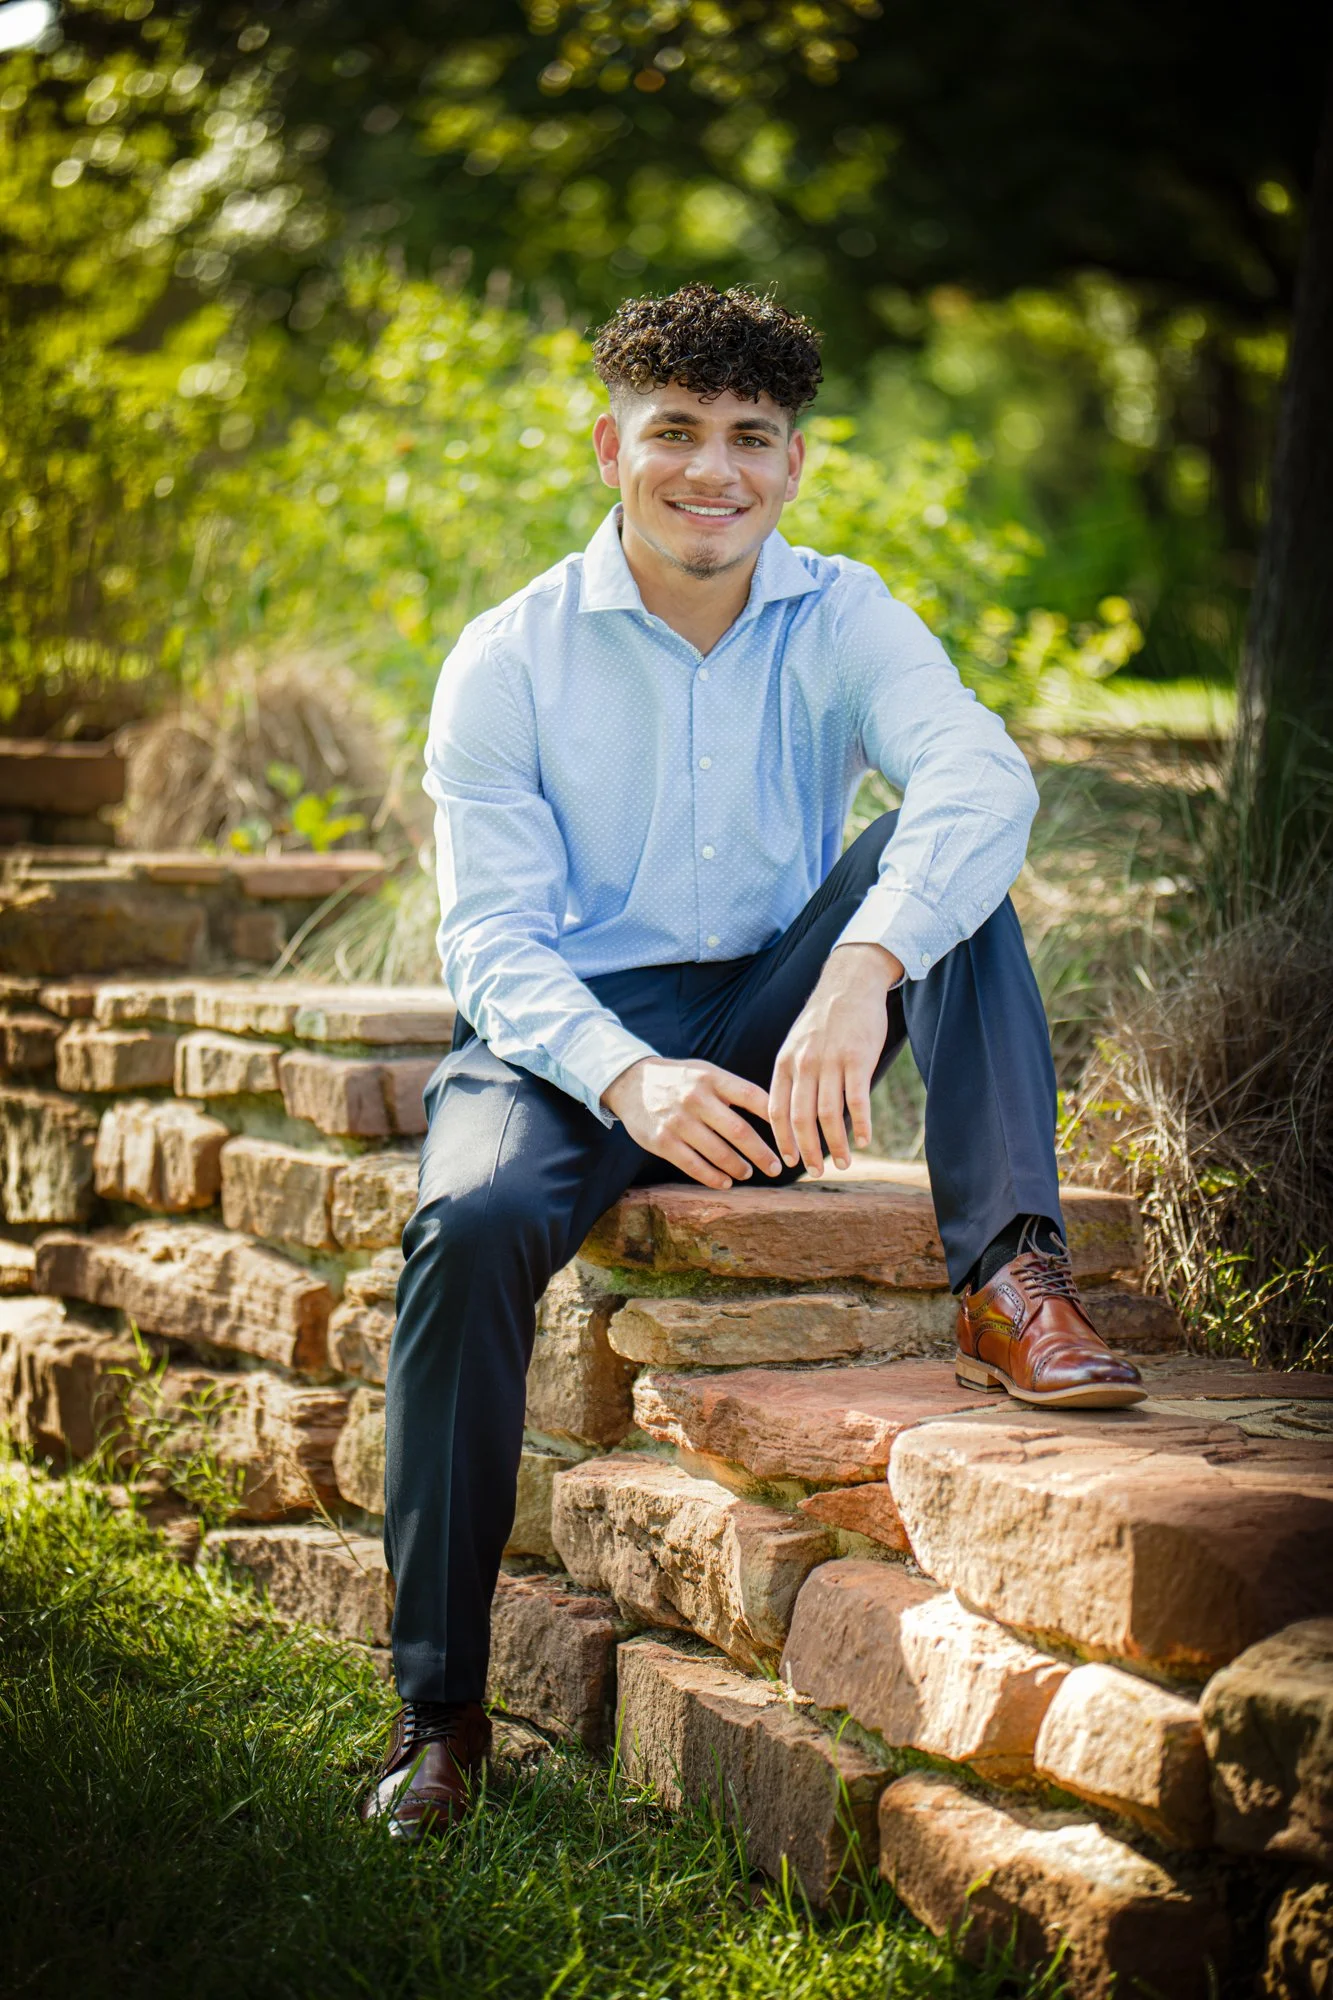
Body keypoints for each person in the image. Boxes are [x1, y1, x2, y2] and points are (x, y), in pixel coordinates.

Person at [362, 283, 1144, 1839]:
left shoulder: (845, 612)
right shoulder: (506, 656)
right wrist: (628, 1076)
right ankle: (438, 1715)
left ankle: (1011, 1278)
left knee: (948, 864)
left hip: (779, 1031)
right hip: (560, 1048)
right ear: (611, 446)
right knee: (466, 1231)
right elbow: (493, 947)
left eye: (749, 437)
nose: (710, 470)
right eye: (675, 433)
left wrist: (863, 964)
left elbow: (978, 772)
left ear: (794, 464)